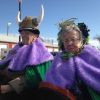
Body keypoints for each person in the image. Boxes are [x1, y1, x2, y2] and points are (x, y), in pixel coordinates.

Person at [38, 18, 100, 100]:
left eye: (73, 39)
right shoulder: (59, 58)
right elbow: (52, 81)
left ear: (81, 41)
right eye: (66, 41)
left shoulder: (91, 54)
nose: (69, 43)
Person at [0, 5, 53, 99]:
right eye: (22, 33)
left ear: (35, 36)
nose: (23, 35)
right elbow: (5, 63)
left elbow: (34, 77)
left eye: (27, 33)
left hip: (23, 94)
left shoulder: (41, 53)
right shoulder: (17, 48)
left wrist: (9, 87)